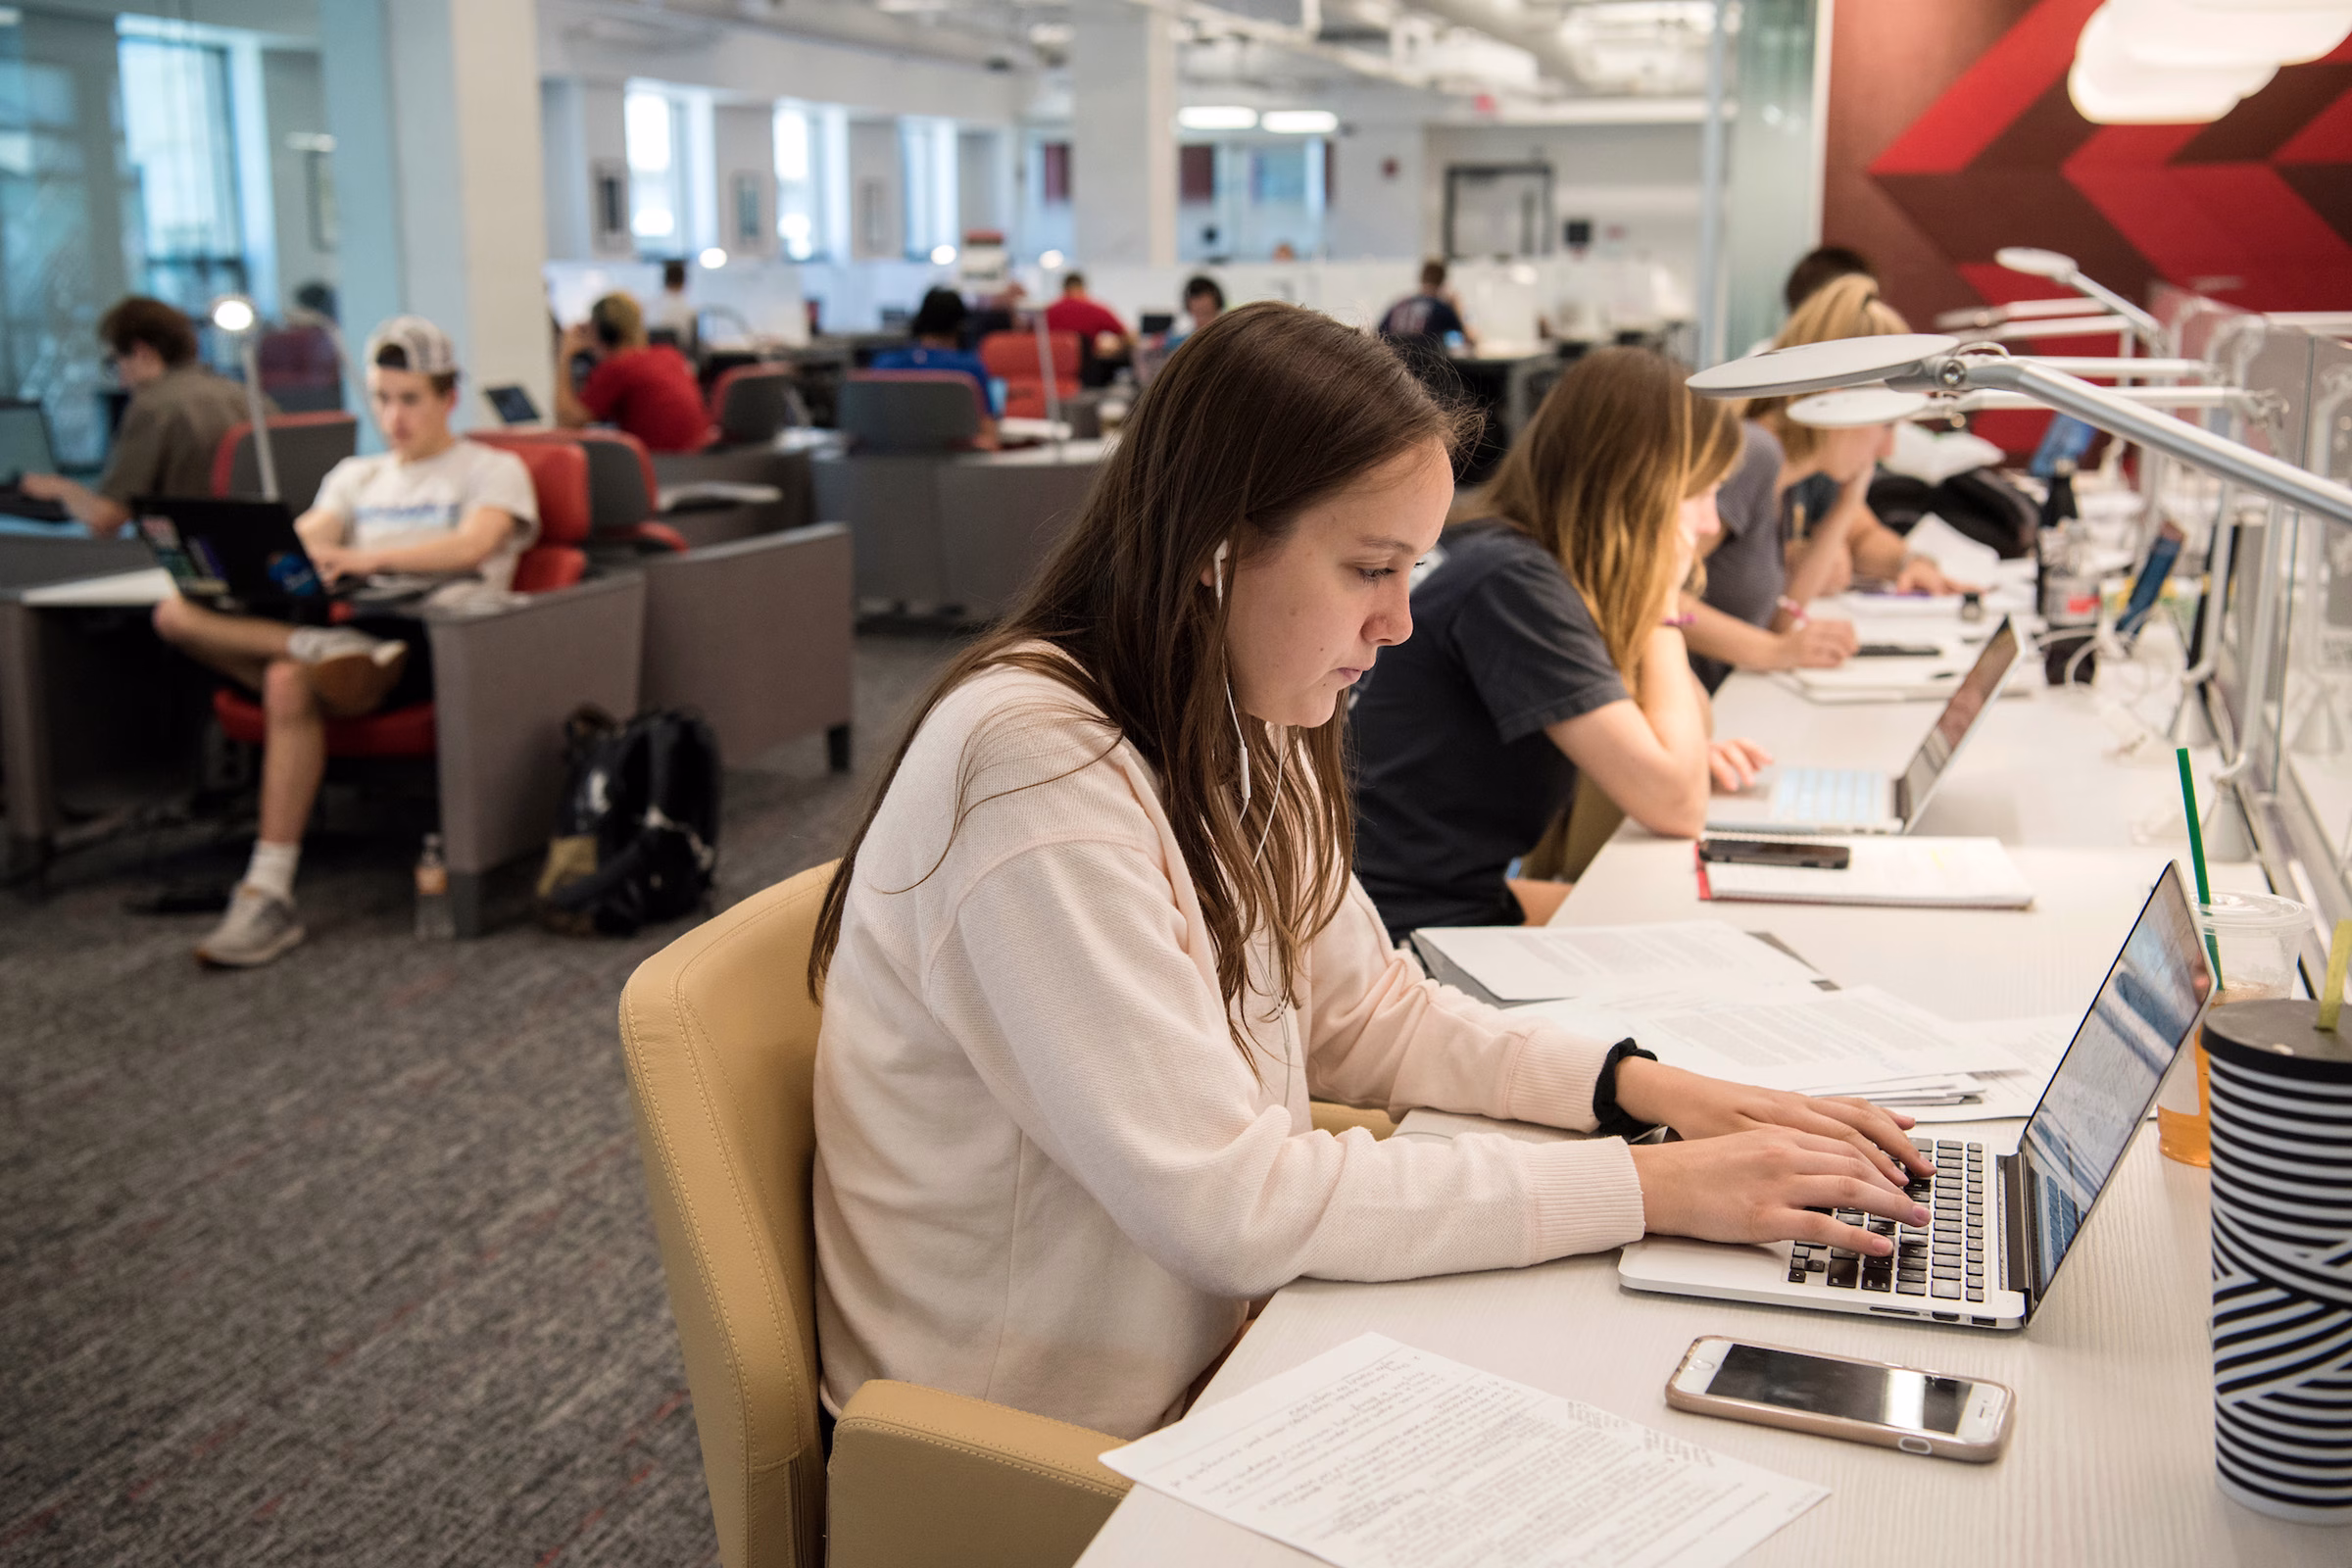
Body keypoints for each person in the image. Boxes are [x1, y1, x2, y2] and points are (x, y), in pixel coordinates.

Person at [808, 301, 1933, 1441]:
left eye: (1411, 569)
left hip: (1225, 1347)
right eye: (1369, 568)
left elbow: (1368, 1013)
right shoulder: (1034, 772)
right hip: (1042, 1434)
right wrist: (1652, 1189)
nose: (1399, 622)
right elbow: (1228, 1203)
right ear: (1216, 546)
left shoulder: (1236, 705)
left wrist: (1648, 1091)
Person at [155, 317, 537, 968]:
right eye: (382, 399)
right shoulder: (357, 476)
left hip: (430, 642)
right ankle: (268, 889)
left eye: (410, 399)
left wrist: (361, 560)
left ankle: (269, 889)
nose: (394, 416)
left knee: (284, 677)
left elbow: (475, 544)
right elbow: (306, 535)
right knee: (175, 614)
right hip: (342, 632)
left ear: (448, 396)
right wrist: (265, 557)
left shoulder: (491, 469)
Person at [1350, 347, 1772, 939]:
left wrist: (1674, 751)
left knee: (1704, 927)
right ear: (1642, 487)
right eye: (1701, 493)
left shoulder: (1505, 553)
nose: (1708, 524)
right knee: (1700, 938)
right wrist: (1661, 603)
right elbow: (1677, 805)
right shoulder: (1513, 584)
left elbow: (1680, 752)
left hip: (1432, 901)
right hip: (1403, 935)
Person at [1684, 275, 1975, 688]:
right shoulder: (1755, 455)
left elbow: (1782, 622)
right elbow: (1656, 599)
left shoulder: (1786, 476)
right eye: (1887, 425)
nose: (1887, 450)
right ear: (1841, 394)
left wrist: (1847, 504)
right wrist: (1776, 653)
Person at [23, 297, 269, 537]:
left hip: (194, 556)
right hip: (259, 544)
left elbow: (106, 518)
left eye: (114, 360)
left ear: (141, 352)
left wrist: (61, 490)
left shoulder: (154, 405)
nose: (119, 377)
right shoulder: (248, 395)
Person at [554, 292, 709, 453]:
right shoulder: (670, 355)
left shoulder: (617, 368)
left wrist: (565, 354)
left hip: (661, 464)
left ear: (600, 331)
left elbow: (567, 423)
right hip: (699, 460)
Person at [869, 287, 1001, 429]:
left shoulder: (884, 365)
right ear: (961, 327)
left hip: (892, 450)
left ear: (918, 321)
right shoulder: (969, 368)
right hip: (955, 450)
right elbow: (988, 429)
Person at [1043, 271, 1133, 386]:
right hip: (1089, 375)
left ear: (1064, 289)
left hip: (1052, 375)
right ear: (1083, 288)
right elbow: (1127, 336)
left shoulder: (1047, 313)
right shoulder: (1096, 310)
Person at [1378, 260, 1477, 350]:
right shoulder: (1440, 307)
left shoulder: (1399, 305)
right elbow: (1471, 341)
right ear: (1443, 283)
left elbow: (1376, 337)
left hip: (1394, 364)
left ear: (1421, 278)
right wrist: (1457, 308)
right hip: (1426, 365)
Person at [651, 258, 699, 350]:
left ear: (664, 281)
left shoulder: (650, 306)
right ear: (684, 282)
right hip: (678, 356)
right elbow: (690, 343)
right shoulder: (689, 310)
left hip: (652, 358)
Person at [1168, 274, 1225, 342]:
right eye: (1199, 314)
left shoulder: (1229, 340)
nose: (1203, 321)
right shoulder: (1179, 343)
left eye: (1206, 313)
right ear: (1189, 308)